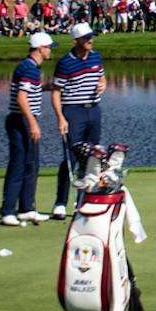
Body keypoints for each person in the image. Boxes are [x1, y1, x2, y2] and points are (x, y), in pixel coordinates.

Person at [48, 22, 105, 218]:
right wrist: (60, 118)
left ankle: (83, 199)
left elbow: (101, 77)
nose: (91, 40)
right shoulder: (66, 63)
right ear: (76, 40)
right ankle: (61, 202)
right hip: (73, 111)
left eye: (91, 37)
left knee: (91, 157)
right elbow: (56, 92)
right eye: (86, 38)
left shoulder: (96, 56)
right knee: (71, 158)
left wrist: (103, 84)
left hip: (93, 111)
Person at [2, 30, 52, 226]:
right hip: (20, 121)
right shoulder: (29, 68)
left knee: (31, 164)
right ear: (40, 48)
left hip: (24, 119)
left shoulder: (30, 67)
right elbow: (21, 98)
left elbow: (29, 90)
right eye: (48, 47)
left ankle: (26, 209)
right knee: (19, 165)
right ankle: (8, 211)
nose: (50, 51)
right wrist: (33, 123)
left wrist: (47, 87)